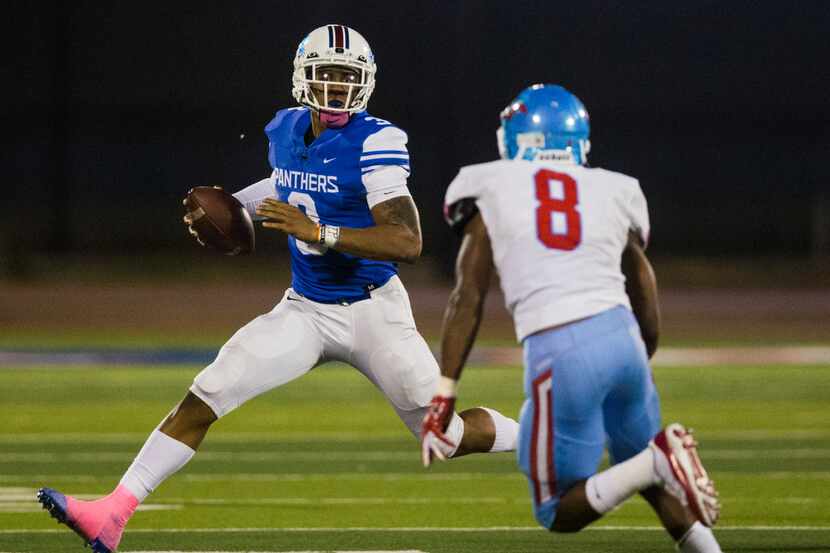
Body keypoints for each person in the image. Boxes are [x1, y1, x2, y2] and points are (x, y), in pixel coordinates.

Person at [36, 25, 518, 553]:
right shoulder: (286, 129)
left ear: (365, 84)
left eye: (347, 79)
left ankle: (539, 436)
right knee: (209, 391)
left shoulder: (376, 140)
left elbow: (407, 241)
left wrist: (321, 232)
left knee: (444, 440)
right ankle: (111, 513)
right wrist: (236, 206)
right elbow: (288, 183)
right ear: (302, 78)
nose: (335, 90)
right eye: (326, 77)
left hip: (375, 312)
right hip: (306, 311)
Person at [419, 84, 722, 552]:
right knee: (639, 468)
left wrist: (444, 394)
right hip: (623, 336)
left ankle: (657, 461)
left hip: (560, 347)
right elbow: (643, 282)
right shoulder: (613, 188)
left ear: (518, 136)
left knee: (557, 510)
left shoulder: (492, 183)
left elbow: (468, 297)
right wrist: (642, 354)